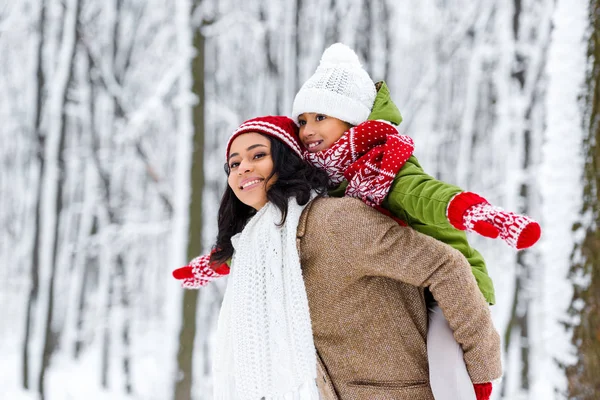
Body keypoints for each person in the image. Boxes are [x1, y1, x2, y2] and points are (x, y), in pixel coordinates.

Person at [173, 115, 502, 400]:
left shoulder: (337, 221)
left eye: (258, 154)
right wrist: (206, 266)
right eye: (233, 163)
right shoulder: (256, 249)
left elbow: (447, 266)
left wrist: (480, 376)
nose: (243, 167)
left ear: (286, 160)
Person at [289, 42, 540, 399]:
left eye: (320, 118)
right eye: (302, 120)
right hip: (402, 279)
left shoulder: (384, 163)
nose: (308, 129)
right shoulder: (322, 179)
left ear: (350, 119)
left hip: (447, 285)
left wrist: (477, 212)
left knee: (445, 364)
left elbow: (425, 195)